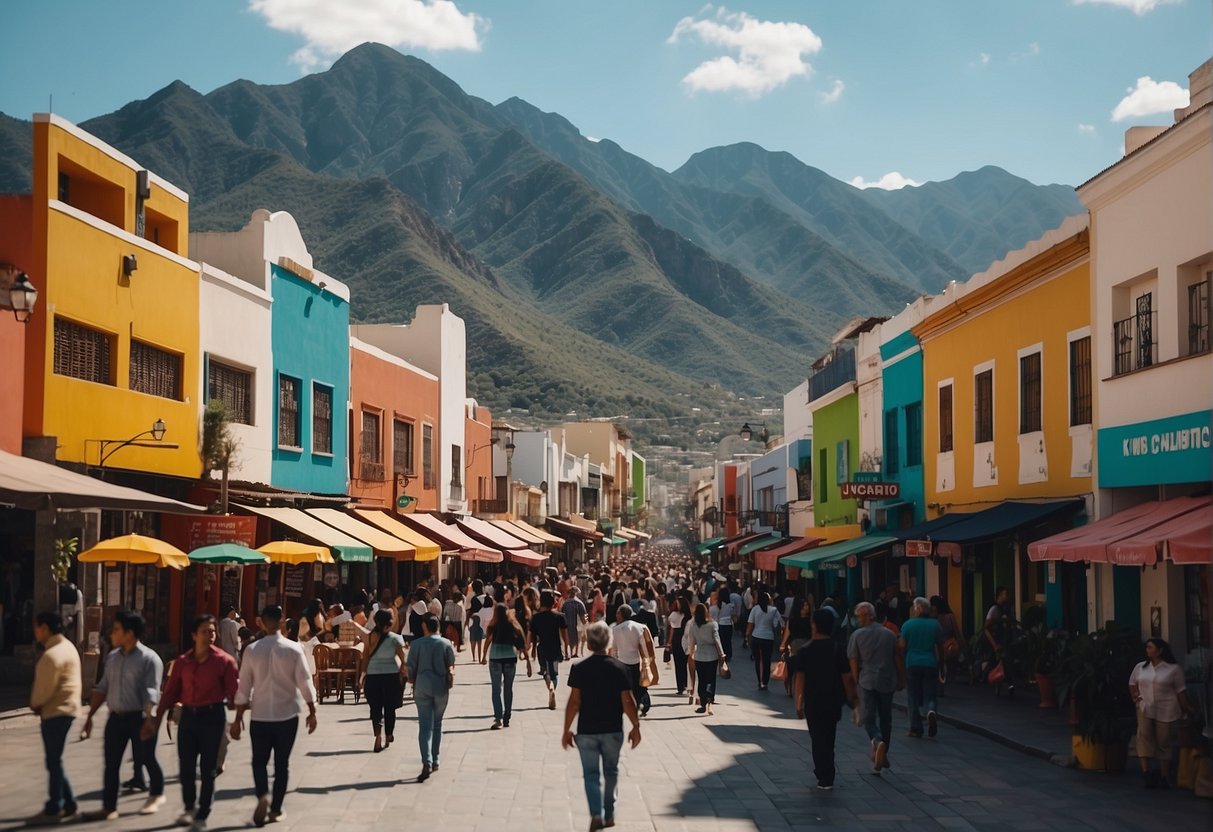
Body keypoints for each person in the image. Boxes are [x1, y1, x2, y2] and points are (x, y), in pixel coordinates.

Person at [145, 614, 239, 831]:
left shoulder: (225, 662)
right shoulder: (183, 662)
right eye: (205, 632)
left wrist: (237, 719)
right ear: (194, 635)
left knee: (208, 769)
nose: (209, 636)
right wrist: (156, 718)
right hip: (188, 717)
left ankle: (203, 812)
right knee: (186, 767)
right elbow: (169, 693)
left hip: (213, 716)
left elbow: (233, 693)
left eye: (212, 632)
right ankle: (189, 807)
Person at [230, 605, 317, 827]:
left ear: (261, 622)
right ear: (281, 622)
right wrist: (312, 710)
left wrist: (238, 718)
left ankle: (262, 795)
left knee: (258, 761)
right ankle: (276, 809)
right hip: (287, 715)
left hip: (260, 716)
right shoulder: (294, 649)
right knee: (282, 764)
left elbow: (244, 686)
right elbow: (305, 682)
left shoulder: (251, 650)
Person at [81, 611, 165, 821]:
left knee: (147, 758)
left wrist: (150, 720)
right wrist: (89, 717)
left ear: (129, 633)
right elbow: (102, 687)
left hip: (140, 718)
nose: (111, 633)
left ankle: (156, 795)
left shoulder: (149, 659)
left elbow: (151, 692)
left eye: (116, 629)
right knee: (111, 764)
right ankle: (109, 808)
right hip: (116, 718)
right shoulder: (112, 657)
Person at [562, 621, 642, 832]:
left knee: (590, 774)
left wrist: (566, 729)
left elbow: (574, 701)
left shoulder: (579, 668)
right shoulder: (621, 668)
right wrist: (636, 726)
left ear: (588, 643)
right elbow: (627, 701)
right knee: (611, 771)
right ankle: (610, 812)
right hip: (612, 729)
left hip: (587, 730)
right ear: (609, 642)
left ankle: (596, 813)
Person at [792, 610, 859, 790]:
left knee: (817, 737)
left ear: (814, 625)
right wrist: (854, 699)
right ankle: (827, 772)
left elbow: (800, 679)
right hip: (833, 699)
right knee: (829, 736)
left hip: (813, 701)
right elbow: (847, 678)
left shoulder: (805, 650)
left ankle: (823, 773)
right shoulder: (838, 649)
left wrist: (798, 702)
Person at [27, 611, 82, 825]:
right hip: (66, 710)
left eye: (37, 627)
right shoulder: (67, 647)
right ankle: (69, 803)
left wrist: (35, 705)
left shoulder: (52, 655)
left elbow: (43, 690)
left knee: (54, 761)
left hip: (56, 711)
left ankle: (55, 806)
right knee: (55, 760)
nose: (35, 631)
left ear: (45, 628)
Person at [1129, 637, 1195, 788]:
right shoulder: (1141, 667)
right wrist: (1136, 698)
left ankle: (1164, 775)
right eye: (1147, 647)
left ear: (1160, 650)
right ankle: (1146, 772)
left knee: (1163, 740)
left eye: (1150, 647)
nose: (1148, 650)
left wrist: (1187, 708)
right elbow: (1132, 683)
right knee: (1144, 736)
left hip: (1166, 708)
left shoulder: (1172, 669)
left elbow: (1180, 691)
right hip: (1145, 706)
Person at [847, 601, 904, 775]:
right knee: (886, 717)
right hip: (887, 680)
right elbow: (897, 658)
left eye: (858, 616)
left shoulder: (857, 635)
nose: (857, 619)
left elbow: (854, 660)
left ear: (866, 616)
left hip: (867, 681)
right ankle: (883, 751)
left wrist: (856, 679)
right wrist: (902, 678)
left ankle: (877, 741)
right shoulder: (889, 634)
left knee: (869, 717)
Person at [406, 613, 456, 782]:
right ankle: (435, 759)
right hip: (440, 686)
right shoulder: (446, 644)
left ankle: (426, 760)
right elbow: (451, 663)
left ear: (425, 626)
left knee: (424, 725)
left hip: (422, 686)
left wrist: (411, 679)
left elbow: (410, 668)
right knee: (437, 724)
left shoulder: (416, 644)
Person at [359, 609, 407, 753]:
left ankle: (378, 736)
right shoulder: (396, 638)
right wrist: (403, 673)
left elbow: (365, 657)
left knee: (375, 707)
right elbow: (403, 659)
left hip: (373, 676)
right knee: (389, 707)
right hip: (391, 676)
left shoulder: (368, 637)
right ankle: (389, 734)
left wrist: (362, 675)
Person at [898, 597, 942, 739]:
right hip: (930, 662)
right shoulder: (935, 625)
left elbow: (902, 646)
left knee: (913, 696)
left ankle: (915, 728)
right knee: (931, 694)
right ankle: (931, 710)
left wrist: (900, 664)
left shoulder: (907, 625)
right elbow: (940, 646)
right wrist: (941, 662)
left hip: (912, 663)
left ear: (917, 609)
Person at [482, 603, 531, 728]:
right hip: (510, 658)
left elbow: (488, 640)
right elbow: (521, 644)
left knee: (496, 689)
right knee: (508, 689)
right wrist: (528, 663)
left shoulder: (493, 625)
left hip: (495, 658)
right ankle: (507, 717)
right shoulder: (513, 626)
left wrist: (483, 655)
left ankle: (498, 718)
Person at [610, 605, 657, 718]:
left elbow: (613, 648)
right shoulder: (640, 627)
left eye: (617, 613)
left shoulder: (615, 630)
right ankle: (644, 704)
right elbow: (645, 645)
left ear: (621, 614)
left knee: (624, 686)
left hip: (622, 660)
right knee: (639, 685)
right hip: (636, 660)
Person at [531, 591, 569, 710]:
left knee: (545, 672)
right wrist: (567, 650)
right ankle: (552, 687)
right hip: (555, 647)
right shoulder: (559, 616)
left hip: (542, 648)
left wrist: (531, 650)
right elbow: (564, 635)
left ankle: (550, 686)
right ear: (553, 603)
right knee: (554, 673)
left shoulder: (536, 617)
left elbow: (533, 637)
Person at [687, 603, 725, 716]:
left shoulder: (694, 626)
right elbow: (717, 640)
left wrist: (691, 653)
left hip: (699, 655)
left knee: (702, 680)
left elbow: (692, 642)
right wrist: (721, 654)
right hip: (712, 655)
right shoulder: (712, 625)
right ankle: (709, 702)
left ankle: (703, 702)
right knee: (711, 679)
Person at [745, 591, 783, 690]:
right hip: (768, 638)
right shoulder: (773, 610)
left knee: (758, 660)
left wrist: (746, 636)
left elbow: (750, 624)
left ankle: (759, 680)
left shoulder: (755, 609)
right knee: (767, 660)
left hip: (756, 637)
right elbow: (781, 623)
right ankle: (765, 682)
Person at [983, 586, 1015, 694]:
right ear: (1000, 595)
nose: (1007, 597)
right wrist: (994, 644)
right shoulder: (994, 609)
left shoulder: (1007, 608)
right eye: (1005, 594)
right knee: (1000, 661)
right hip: (997, 640)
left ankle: (1006, 683)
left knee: (1005, 661)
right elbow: (986, 627)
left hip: (1005, 640)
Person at [666, 596, 692, 696]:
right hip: (686, 639)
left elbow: (672, 629)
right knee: (685, 663)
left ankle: (681, 686)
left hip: (677, 638)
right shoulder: (689, 616)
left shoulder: (673, 615)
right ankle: (686, 684)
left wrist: (669, 643)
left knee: (678, 664)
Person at [562, 586, 588, 659]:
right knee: (577, 638)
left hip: (567, 623)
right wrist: (586, 623)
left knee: (569, 638)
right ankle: (576, 652)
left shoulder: (566, 603)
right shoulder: (579, 603)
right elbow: (584, 615)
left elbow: (562, 613)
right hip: (578, 624)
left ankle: (569, 652)